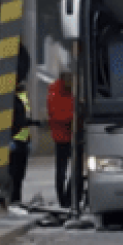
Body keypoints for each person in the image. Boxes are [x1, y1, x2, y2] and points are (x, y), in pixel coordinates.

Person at [46, 70, 75, 208]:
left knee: (71, 170)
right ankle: (64, 200)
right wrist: (73, 118)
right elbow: (56, 115)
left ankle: (67, 198)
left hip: (69, 137)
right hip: (64, 137)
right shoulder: (55, 93)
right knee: (63, 171)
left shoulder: (61, 92)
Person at [10, 81, 33, 204]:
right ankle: (13, 199)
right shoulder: (10, 100)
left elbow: (24, 120)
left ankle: (16, 200)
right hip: (15, 140)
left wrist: (29, 139)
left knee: (19, 174)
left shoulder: (22, 98)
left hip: (22, 140)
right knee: (14, 174)